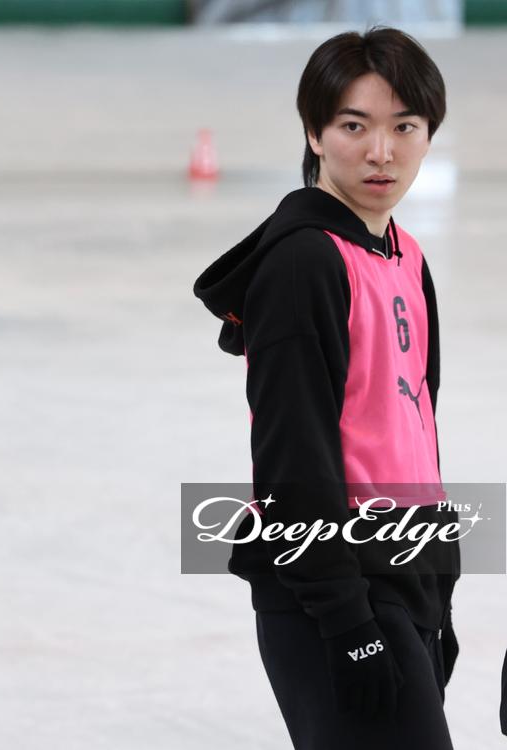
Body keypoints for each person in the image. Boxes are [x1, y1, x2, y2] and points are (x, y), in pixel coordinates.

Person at [193, 27, 458, 749]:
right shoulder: (303, 265)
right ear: (314, 133)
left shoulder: (405, 254)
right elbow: (293, 458)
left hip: (403, 578)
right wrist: (348, 626)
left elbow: (416, 429)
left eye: (405, 127)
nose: (381, 152)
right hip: (335, 594)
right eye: (354, 126)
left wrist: (440, 594)